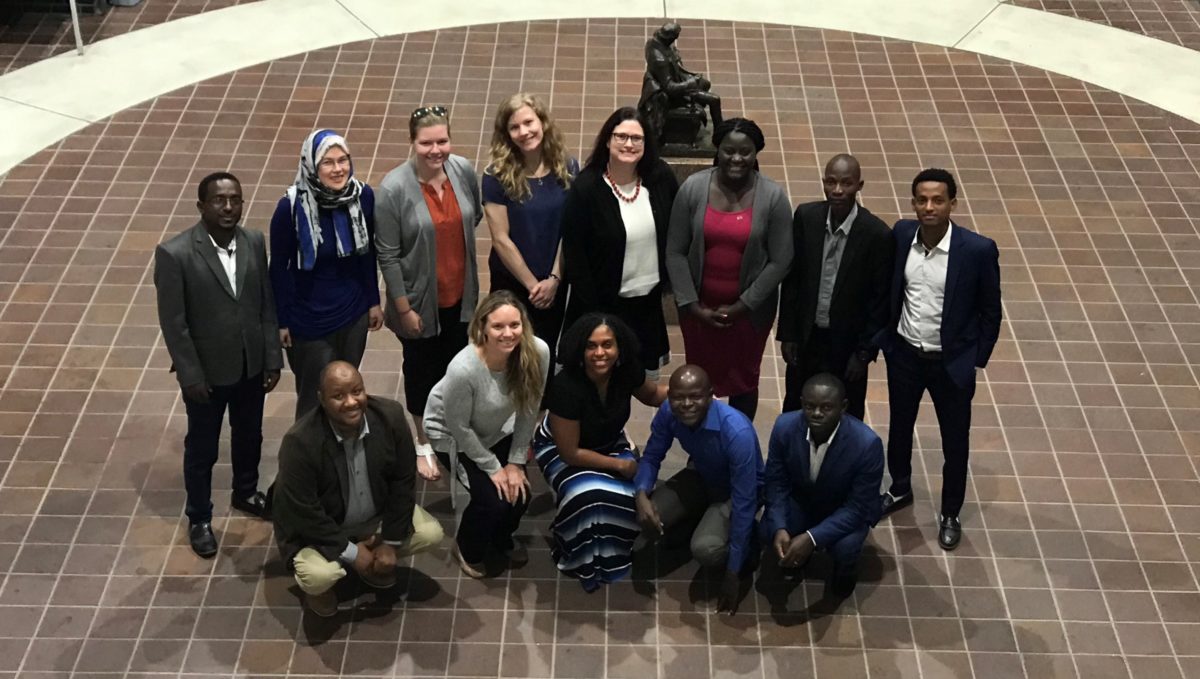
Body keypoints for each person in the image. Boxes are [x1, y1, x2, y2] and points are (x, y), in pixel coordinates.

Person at [154, 172, 283, 558]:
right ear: (201, 206)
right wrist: (190, 374)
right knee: (203, 448)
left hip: (250, 367)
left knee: (250, 436)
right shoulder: (175, 254)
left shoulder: (254, 241)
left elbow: (265, 305)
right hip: (206, 376)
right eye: (219, 200)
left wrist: (271, 358)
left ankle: (245, 492)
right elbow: (174, 324)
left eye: (235, 200)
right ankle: (199, 517)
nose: (228, 207)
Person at [877, 168, 1002, 551]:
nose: (928, 207)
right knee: (899, 427)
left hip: (952, 364)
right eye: (922, 199)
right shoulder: (901, 235)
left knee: (955, 441)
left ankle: (950, 512)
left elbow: (990, 311)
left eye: (937, 200)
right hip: (906, 355)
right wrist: (886, 341)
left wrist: (975, 359)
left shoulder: (978, 250)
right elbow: (890, 290)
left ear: (952, 203)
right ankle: (899, 489)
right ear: (913, 202)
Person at [272, 361, 444, 617]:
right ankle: (321, 590)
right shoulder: (300, 442)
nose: (352, 402)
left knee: (430, 533)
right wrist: (351, 552)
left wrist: (390, 541)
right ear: (321, 399)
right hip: (320, 529)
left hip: (373, 518)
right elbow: (303, 511)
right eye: (338, 396)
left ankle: (373, 556)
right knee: (320, 576)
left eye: (357, 391)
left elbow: (403, 481)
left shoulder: (390, 417)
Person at [376, 105, 482, 482]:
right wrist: (403, 308)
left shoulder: (463, 170)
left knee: (456, 369)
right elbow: (387, 254)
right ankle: (423, 442)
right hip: (419, 304)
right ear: (412, 143)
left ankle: (452, 430)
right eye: (426, 143)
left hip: (461, 296)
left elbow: (475, 215)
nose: (436, 150)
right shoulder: (393, 188)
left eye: (442, 141)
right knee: (422, 373)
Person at [666, 117, 792, 421]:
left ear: (756, 154)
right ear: (717, 151)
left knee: (743, 382)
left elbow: (781, 260)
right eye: (729, 151)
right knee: (699, 381)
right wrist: (692, 305)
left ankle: (740, 442)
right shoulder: (694, 189)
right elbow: (675, 251)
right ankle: (701, 448)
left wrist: (742, 306)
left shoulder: (772, 197)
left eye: (745, 152)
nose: (737, 158)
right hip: (699, 314)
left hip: (748, 316)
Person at [533, 314, 668, 591]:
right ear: (580, 350)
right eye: (591, 346)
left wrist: (692, 392)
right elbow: (570, 452)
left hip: (609, 442)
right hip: (560, 449)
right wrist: (618, 466)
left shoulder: (627, 370)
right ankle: (577, 551)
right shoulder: (565, 387)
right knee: (588, 496)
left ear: (619, 347)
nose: (600, 353)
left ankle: (613, 549)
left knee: (636, 496)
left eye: (607, 345)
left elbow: (653, 395)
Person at [422, 291, 550, 577]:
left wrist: (516, 462)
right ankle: (468, 547)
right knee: (491, 500)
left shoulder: (538, 352)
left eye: (514, 325)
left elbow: (530, 408)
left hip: (496, 427)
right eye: (498, 327)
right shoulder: (463, 369)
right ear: (482, 328)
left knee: (520, 492)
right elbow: (459, 427)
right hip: (452, 434)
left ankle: (501, 539)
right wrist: (493, 467)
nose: (508, 334)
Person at [269, 129, 383, 419]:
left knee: (346, 391)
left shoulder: (362, 197)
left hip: (353, 312)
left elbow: (367, 253)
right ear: (312, 166)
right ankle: (310, 458)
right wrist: (281, 321)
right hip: (308, 320)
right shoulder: (290, 208)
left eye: (343, 160)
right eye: (328, 162)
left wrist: (373, 301)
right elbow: (279, 268)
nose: (338, 169)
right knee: (314, 395)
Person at [634, 365, 763, 615]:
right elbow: (651, 456)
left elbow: (745, 500)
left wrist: (733, 573)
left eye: (695, 397)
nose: (686, 404)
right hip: (702, 474)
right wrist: (640, 494)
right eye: (678, 397)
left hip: (734, 491)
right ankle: (700, 520)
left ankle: (748, 547)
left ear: (711, 395)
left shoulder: (737, 432)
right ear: (669, 397)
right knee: (648, 513)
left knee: (705, 549)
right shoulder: (668, 412)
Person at [561, 106, 679, 374]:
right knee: (600, 379)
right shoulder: (586, 188)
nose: (629, 144)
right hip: (602, 305)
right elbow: (575, 252)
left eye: (637, 138)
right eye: (621, 136)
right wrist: (593, 310)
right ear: (607, 140)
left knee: (638, 379)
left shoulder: (660, 177)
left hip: (647, 302)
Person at [777, 153, 892, 419]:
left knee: (847, 414)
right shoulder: (806, 217)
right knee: (795, 406)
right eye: (831, 182)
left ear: (859, 185)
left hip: (847, 346)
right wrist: (789, 334)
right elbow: (793, 280)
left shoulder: (877, 234)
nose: (838, 190)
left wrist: (863, 353)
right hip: (807, 339)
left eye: (846, 183)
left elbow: (879, 300)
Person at [763, 373, 884, 599]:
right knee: (768, 529)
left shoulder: (867, 445)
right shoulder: (784, 426)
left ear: (843, 407)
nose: (817, 413)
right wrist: (779, 525)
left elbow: (858, 507)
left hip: (843, 508)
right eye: (810, 406)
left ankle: (844, 571)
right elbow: (776, 481)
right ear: (801, 403)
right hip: (803, 500)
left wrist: (811, 538)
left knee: (846, 547)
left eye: (826, 407)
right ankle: (795, 558)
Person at [483, 93, 578, 369]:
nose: (524, 132)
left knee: (544, 352)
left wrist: (555, 279)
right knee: (509, 353)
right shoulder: (496, 175)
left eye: (529, 122)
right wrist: (533, 287)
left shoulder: (567, 167)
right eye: (515, 127)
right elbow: (500, 239)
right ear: (507, 134)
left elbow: (569, 228)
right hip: (514, 283)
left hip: (554, 281)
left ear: (543, 122)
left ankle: (540, 409)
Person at [638, 22, 723, 144]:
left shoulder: (655, 43)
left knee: (705, 84)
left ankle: (693, 124)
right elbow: (669, 87)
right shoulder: (659, 59)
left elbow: (674, 60)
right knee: (714, 100)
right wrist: (691, 82)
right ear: (670, 38)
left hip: (678, 80)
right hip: (671, 94)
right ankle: (721, 136)